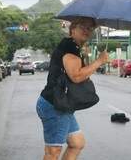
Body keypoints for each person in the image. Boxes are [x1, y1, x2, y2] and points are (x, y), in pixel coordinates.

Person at [36, 17, 109, 160]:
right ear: (73, 28)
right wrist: (99, 61)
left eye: (90, 28)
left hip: (62, 105)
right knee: (53, 151)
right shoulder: (69, 47)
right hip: (55, 105)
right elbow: (76, 76)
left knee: (77, 143)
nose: (86, 31)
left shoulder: (75, 47)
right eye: (83, 27)